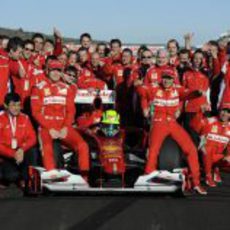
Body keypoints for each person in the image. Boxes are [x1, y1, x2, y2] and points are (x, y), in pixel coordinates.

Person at [141, 69, 207, 195]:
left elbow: (189, 94)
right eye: (164, 78)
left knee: (191, 149)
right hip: (159, 122)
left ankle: (196, 183)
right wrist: (144, 106)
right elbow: (142, 92)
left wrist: (198, 93)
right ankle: (148, 174)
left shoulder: (178, 89)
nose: (166, 81)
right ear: (161, 78)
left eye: (169, 78)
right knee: (154, 149)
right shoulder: (154, 88)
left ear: (173, 79)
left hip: (172, 123)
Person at [31, 59, 90, 179]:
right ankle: (52, 174)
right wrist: (50, 128)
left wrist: (65, 127)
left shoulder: (66, 88)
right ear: (47, 71)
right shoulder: (38, 88)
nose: (56, 73)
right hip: (46, 127)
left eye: (58, 70)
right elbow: (36, 112)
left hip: (63, 126)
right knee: (47, 146)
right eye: (53, 70)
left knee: (83, 145)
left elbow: (71, 111)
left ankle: (85, 178)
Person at [0, 93, 38, 185]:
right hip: (5, 154)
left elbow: (33, 138)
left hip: (20, 151)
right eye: (13, 105)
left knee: (32, 151)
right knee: (11, 176)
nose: (16, 108)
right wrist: (13, 154)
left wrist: (21, 149)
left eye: (18, 105)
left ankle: (29, 181)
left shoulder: (25, 118)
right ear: (5, 105)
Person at [191, 104, 230, 187]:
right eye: (223, 111)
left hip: (217, 157)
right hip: (203, 155)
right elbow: (194, 126)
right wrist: (200, 113)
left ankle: (216, 168)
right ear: (219, 111)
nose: (225, 114)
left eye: (228, 112)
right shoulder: (209, 120)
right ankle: (208, 176)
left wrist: (228, 155)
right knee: (208, 149)